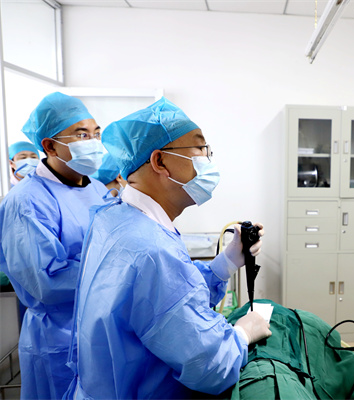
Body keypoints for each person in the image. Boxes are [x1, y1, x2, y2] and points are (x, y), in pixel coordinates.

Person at [64, 97, 272, 399]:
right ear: (160, 161)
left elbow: (162, 298)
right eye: (200, 148)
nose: (207, 158)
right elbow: (209, 367)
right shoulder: (151, 249)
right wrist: (242, 333)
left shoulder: (115, 217)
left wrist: (225, 264)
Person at [0, 92, 108, 399]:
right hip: (58, 341)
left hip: (99, 331)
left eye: (96, 134)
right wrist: (116, 272)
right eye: (81, 135)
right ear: (49, 146)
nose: (93, 142)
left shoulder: (97, 188)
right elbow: (46, 283)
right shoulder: (27, 201)